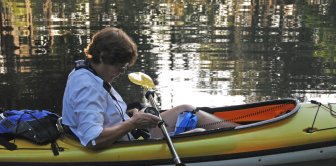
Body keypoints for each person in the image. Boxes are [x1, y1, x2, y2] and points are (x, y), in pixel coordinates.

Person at [62, 27, 238, 149]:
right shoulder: (86, 86)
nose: (120, 72)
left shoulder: (91, 71)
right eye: (119, 67)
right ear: (102, 57)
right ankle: (243, 140)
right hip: (119, 146)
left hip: (127, 134)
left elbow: (103, 113)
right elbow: (93, 139)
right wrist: (132, 123)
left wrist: (131, 115)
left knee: (186, 110)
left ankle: (240, 132)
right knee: (199, 134)